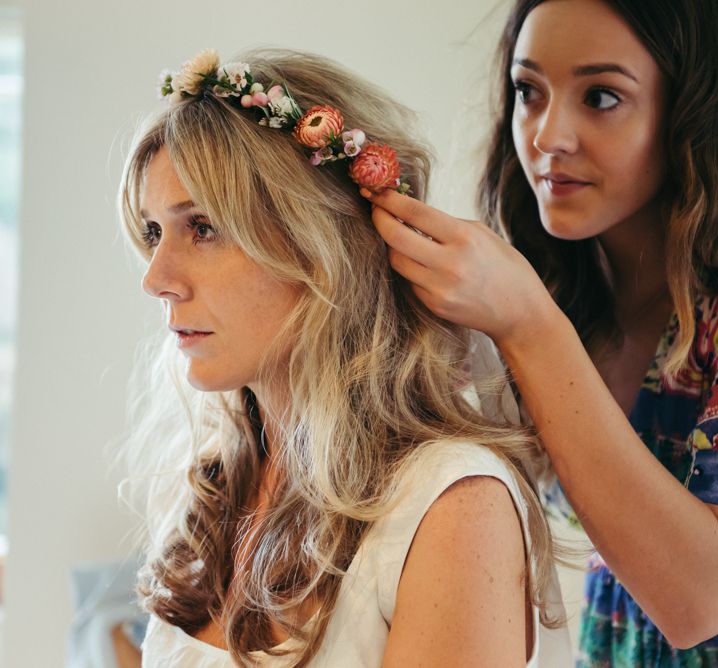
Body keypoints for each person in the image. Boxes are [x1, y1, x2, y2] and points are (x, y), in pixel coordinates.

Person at [118, 48, 572, 667]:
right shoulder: (214, 488)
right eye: (152, 232)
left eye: (202, 227)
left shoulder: (451, 506)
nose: (156, 277)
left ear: (320, 247)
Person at [362, 0, 718, 665]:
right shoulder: (557, 293)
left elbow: (701, 601)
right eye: (529, 91)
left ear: (690, 111)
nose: (546, 135)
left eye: (601, 96)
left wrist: (529, 325)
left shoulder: (533, 312)